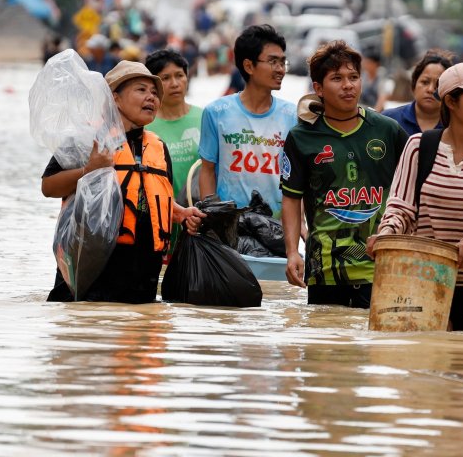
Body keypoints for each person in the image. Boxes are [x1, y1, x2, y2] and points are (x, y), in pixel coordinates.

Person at [369, 62, 463, 330]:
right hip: (425, 279)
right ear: (450, 100)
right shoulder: (418, 147)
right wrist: (385, 237)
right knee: (424, 360)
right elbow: (400, 208)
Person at [40, 61, 204, 303]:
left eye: (154, 93)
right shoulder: (88, 140)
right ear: (115, 99)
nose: (152, 98)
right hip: (94, 276)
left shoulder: (157, 146)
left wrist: (179, 213)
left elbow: (147, 198)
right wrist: (89, 169)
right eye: (141, 90)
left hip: (142, 278)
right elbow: (48, 187)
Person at [281, 41, 408, 307]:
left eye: (353, 77)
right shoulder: (301, 137)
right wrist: (292, 252)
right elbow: (292, 198)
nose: (348, 85)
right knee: (326, 344)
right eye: (337, 78)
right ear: (318, 88)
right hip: (324, 270)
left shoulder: (387, 130)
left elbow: (411, 192)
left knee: (377, 347)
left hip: (381, 268)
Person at [198, 24, 299, 215]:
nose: (280, 70)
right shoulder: (216, 112)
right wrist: (210, 219)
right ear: (248, 66)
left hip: (275, 227)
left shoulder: (292, 116)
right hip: (230, 225)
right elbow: (207, 171)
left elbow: (296, 180)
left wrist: (298, 224)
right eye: (273, 62)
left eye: (282, 62)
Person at [144, 48, 204, 201]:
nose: (175, 84)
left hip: (200, 214)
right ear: (153, 83)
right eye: (165, 78)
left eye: (179, 75)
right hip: (160, 215)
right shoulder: (144, 125)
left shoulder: (205, 117)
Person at [382, 50, 455, 136]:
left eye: (438, 85)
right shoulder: (389, 119)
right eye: (425, 82)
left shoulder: (455, 126)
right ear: (414, 84)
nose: (430, 89)